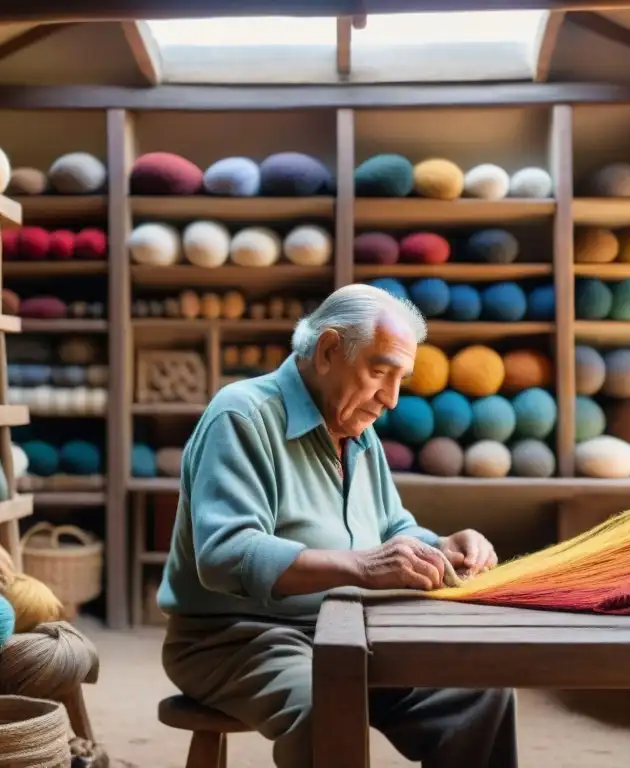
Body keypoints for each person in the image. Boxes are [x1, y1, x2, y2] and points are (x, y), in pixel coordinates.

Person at [158, 284, 518, 768]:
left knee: (480, 695)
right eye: (379, 372)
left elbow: (392, 525)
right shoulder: (241, 414)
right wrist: (363, 568)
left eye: (400, 380)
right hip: (236, 638)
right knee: (329, 710)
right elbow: (225, 554)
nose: (390, 399)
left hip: (348, 628)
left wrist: (442, 545)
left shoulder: (357, 430)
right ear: (328, 350)